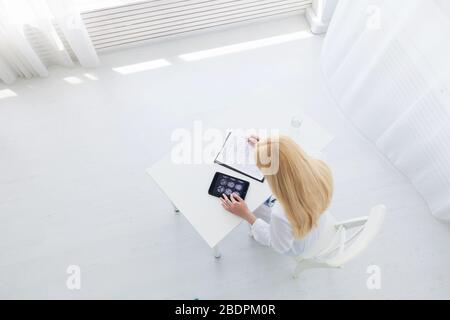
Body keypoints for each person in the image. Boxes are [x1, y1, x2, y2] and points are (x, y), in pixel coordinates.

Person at [220, 134, 333, 256]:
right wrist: (266, 149)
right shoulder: (320, 164)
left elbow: (279, 245)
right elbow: (287, 158)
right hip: (318, 219)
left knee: (257, 208)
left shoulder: (281, 214)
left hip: (298, 241)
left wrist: (246, 214)